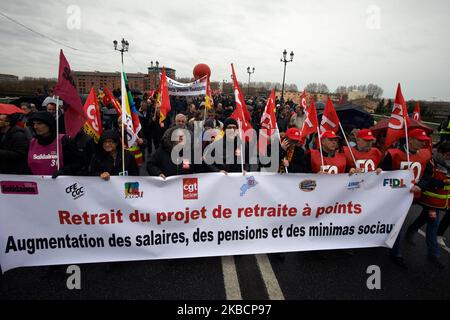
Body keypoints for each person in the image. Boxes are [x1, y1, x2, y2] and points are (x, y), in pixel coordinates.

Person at [381, 128, 433, 268]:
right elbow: (383, 175)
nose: (423, 144)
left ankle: (400, 237)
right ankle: (395, 252)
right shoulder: (394, 154)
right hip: (394, 196)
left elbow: (428, 175)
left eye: (425, 141)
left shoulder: (426, 155)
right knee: (397, 222)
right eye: (420, 141)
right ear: (410, 140)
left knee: (430, 214)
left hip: (414, 195)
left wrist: (421, 186)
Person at [404, 141, 450, 268]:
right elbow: (428, 179)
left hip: (441, 202)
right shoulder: (432, 162)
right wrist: (444, 182)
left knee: (423, 218)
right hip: (430, 200)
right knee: (433, 224)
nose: (449, 157)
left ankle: (411, 230)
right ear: (440, 152)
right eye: (447, 154)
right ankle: (433, 254)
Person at [27, 111, 82, 177]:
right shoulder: (32, 143)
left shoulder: (64, 141)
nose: (35, 127)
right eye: (34, 124)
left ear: (49, 124)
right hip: (37, 184)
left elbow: (77, 163)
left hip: (60, 184)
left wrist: (64, 171)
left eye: (39, 123)